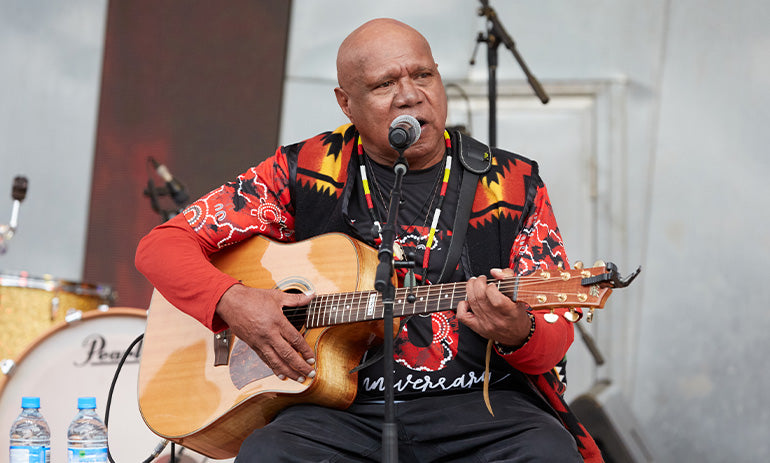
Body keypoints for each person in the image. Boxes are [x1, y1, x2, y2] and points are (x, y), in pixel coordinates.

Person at [136, 18, 602, 463]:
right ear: (346, 102)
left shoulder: (512, 183)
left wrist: (518, 331)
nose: (411, 97)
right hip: (338, 411)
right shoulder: (303, 170)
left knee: (545, 452)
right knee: (270, 455)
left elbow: (554, 339)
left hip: (478, 406)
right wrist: (232, 301)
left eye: (423, 75)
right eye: (384, 85)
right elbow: (162, 246)